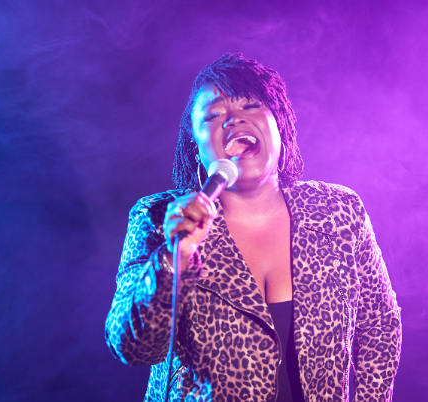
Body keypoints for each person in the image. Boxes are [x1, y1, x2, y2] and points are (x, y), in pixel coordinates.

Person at [105, 53, 402, 402]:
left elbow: (379, 324)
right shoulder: (158, 218)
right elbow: (133, 348)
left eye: (251, 105)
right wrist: (175, 258)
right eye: (214, 114)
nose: (233, 119)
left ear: (280, 125)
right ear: (195, 146)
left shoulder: (339, 211)